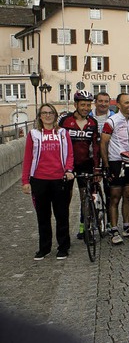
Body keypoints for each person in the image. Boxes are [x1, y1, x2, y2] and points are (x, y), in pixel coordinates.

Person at [22, 104, 75, 260]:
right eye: (44, 113)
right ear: (39, 116)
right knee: (43, 216)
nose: (47, 115)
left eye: (50, 112)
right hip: (39, 179)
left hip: (59, 179)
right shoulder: (34, 134)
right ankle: (44, 248)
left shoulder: (63, 133)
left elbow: (69, 154)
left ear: (55, 115)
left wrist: (69, 169)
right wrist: (25, 180)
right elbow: (27, 158)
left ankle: (63, 246)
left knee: (62, 214)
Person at [58, 90, 101, 240]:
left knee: (86, 198)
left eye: (88, 105)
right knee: (65, 199)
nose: (86, 108)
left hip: (86, 164)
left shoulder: (92, 123)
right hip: (68, 165)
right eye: (83, 104)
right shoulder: (65, 121)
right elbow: (58, 144)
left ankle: (84, 228)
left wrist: (97, 168)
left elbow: (96, 147)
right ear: (76, 104)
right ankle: (63, 233)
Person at [100, 93, 129, 244]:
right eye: (126, 103)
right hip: (115, 161)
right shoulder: (111, 121)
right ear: (118, 105)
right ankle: (114, 229)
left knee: (128, 194)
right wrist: (106, 165)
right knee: (115, 197)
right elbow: (103, 143)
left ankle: (126, 226)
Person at [90, 92, 115, 211]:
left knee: (110, 193)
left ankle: (110, 222)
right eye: (100, 101)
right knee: (89, 194)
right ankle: (85, 223)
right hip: (91, 157)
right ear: (95, 102)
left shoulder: (114, 117)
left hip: (109, 157)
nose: (103, 104)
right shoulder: (89, 117)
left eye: (106, 101)